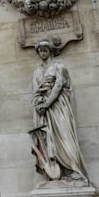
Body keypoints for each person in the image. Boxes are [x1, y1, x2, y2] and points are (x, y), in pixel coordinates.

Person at [31, 41, 88, 182]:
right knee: (47, 139)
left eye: (45, 50)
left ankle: (73, 169)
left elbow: (58, 86)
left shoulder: (59, 67)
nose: (43, 53)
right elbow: (35, 90)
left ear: (50, 51)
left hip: (58, 107)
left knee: (64, 135)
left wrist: (47, 103)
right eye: (40, 51)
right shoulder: (37, 71)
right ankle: (54, 173)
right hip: (43, 110)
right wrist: (38, 104)